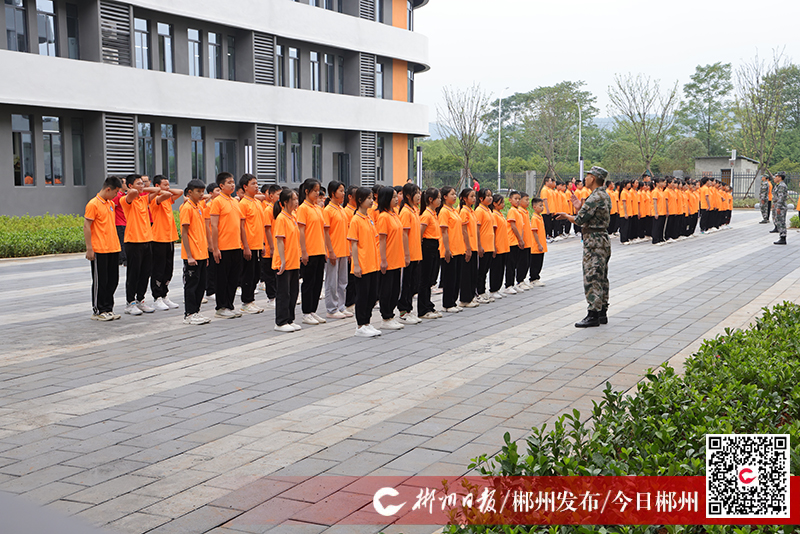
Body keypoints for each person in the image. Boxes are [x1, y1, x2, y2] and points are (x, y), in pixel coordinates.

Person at [556, 166, 611, 328]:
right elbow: (590, 216)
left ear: (593, 178)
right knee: (601, 276)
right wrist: (580, 207)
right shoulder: (603, 195)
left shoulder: (595, 197)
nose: (585, 179)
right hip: (602, 239)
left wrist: (567, 216)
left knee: (592, 276)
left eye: (587, 176)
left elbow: (580, 220)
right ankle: (602, 312)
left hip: (594, 240)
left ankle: (593, 313)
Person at [120, 174, 160, 315]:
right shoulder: (125, 200)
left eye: (143, 183)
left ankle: (140, 299)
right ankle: (130, 302)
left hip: (147, 240)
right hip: (133, 241)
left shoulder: (144, 199)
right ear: (130, 185)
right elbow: (131, 193)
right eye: (139, 183)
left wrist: (143, 187)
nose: (142, 186)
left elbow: (158, 190)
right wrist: (136, 189)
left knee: (145, 272)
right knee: (134, 273)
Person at [84, 176, 124, 321]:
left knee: (112, 280)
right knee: (101, 280)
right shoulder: (93, 204)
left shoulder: (110, 204)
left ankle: (108, 308)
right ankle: (98, 309)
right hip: (99, 248)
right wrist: (90, 248)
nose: (116, 195)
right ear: (108, 189)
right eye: (115, 192)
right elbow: (87, 226)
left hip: (113, 247)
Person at [210, 172, 245, 319]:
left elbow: (240, 225)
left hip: (236, 246)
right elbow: (214, 225)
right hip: (223, 247)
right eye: (229, 182)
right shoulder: (217, 201)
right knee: (222, 279)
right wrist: (215, 248)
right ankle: (221, 306)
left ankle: (229, 305)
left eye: (233, 182)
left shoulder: (235, 202)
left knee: (233, 278)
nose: (232, 184)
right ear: (221, 185)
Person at [348, 186, 382, 337]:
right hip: (362, 264)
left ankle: (367, 322)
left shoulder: (369, 218)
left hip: (372, 263)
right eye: (368, 198)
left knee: (372, 295)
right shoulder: (356, 220)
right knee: (362, 296)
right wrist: (356, 264)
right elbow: (354, 244)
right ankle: (360, 325)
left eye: (371, 198)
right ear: (360, 200)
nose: (371, 201)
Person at [296, 179, 327, 326]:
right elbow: (301, 231)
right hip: (309, 250)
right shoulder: (303, 208)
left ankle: (313, 310)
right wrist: (304, 251)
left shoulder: (318, 208)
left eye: (318, 190)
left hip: (319, 250)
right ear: (307, 191)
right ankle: (306, 312)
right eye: (314, 190)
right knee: (308, 282)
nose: (317, 193)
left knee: (317, 282)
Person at [376, 186, 407, 330]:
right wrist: (383, 260)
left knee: (395, 289)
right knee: (386, 289)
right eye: (394, 197)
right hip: (388, 258)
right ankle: (385, 316)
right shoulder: (383, 217)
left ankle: (391, 315)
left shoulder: (394, 214)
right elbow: (382, 240)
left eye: (397, 196)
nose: (396, 199)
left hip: (397, 257)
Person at [180, 179, 211, 325]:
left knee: (200, 285)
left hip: (201, 253)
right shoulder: (187, 208)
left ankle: (196, 311)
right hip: (192, 255)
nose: (201, 194)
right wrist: (190, 255)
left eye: (202, 191)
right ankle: (189, 313)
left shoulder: (198, 206)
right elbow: (185, 233)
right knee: (191, 285)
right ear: (190, 192)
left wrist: (205, 254)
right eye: (198, 191)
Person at [149, 175, 183, 311]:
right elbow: (167, 194)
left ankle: (164, 295)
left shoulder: (168, 199)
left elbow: (180, 192)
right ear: (157, 186)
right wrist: (160, 191)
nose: (168, 188)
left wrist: (165, 190)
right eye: (165, 185)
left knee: (168, 269)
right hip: (158, 238)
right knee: (158, 269)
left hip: (170, 237)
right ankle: (157, 297)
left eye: (169, 184)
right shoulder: (154, 199)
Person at [273, 188, 302, 332]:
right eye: (294, 199)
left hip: (294, 260)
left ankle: (290, 319)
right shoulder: (281, 218)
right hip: (284, 261)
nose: (296, 202)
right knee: (283, 293)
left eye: (297, 199)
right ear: (285, 202)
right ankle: (281, 321)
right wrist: (282, 261)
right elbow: (279, 241)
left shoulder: (293, 216)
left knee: (293, 292)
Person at [238, 174, 266, 315]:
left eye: (257, 183)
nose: (256, 186)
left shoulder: (256, 202)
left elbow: (259, 225)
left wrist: (263, 244)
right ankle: (246, 302)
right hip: (248, 246)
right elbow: (241, 227)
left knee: (255, 275)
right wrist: (246, 246)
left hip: (257, 245)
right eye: (253, 184)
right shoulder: (243, 203)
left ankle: (251, 300)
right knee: (248, 275)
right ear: (245, 187)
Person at [323, 180, 351, 319]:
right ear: (333, 193)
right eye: (340, 190)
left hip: (344, 249)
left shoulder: (341, 209)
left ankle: (341, 305)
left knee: (342, 281)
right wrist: (330, 251)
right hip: (333, 250)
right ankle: (331, 308)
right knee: (332, 282)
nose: (343, 193)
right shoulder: (328, 210)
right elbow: (326, 232)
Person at [438, 186, 468, 313]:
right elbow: (444, 232)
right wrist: (447, 249)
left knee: (456, 277)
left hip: (459, 248)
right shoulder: (444, 211)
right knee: (449, 278)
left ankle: (453, 301)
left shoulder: (454, 211)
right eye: (452, 194)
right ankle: (447, 303)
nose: (454, 196)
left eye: (455, 194)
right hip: (450, 249)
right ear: (445, 197)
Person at [398, 183, 423, 324]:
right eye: (416, 193)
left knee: (414, 283)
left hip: (416, 252)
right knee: (407, 283)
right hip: (409, 254)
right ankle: (403, 311)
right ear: (408, 196)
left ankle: (409, 309)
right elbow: (404, 234)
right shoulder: (406, 212)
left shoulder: (414, 210)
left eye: (419, 192)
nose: (419, 195)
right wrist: (406, 254)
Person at [418, 188, 442, 320]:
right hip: (427, 246)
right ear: (430, 200)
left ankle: (428, 305)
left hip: (434, 246)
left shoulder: (434, 213)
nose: (440, 200)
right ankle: (423, 309)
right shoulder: (426, 215)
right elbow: (420, 233)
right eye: (438, 197)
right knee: (425, 279)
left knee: (430, 278)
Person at [259, 184, 281, 307]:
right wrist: (271, 247)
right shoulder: (268, 210)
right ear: (271, 196)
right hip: (269, 248)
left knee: (277, 273)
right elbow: (267, 229)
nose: (280, 197)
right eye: (278, 194)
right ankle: (271, 297)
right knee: (269, 274)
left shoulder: (279, 209)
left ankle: (277, 295)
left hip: (278, 247)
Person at [458, 188, 479, 308]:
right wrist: (468, 248)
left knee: (472, 273)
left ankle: (471, 296)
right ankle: (465, 299)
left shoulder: (471, 211)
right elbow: (464, 231)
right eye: (471, 196)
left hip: (474, 245)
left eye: (474, 196)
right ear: (464, 199)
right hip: (468, 246)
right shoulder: (464, 212)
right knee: (466, 273)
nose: (474, 198)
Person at [474, 188, 495, 303]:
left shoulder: (488, 210)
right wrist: (479, 245)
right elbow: (477, 229)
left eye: (491, 195)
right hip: (483, 245)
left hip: (489, 245)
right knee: (480, 270)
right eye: (487, 196)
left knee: (485, 270)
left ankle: (483, 291)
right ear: (481, 198)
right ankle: (479, 292)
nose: (490, 198)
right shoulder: (479, 211)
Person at [489, 194, 510, 300]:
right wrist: (494, 246)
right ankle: (493, 289)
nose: (503, 204)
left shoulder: (500, 214)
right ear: (494, 204)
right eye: (500, 202)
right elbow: (493, 232)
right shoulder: (494, 215)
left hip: (504, 246)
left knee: (501, 268)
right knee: (496, 269)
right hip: (498, 246)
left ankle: (497, 288)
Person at [505, 191, 525, 294]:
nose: (517, 201)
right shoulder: (512, 211)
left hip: (517, 241)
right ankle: (508, 285)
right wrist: (520, 239)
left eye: (519, 199)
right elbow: (513, 226)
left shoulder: (518, 211)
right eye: (515, 198)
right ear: (510, 200)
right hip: (512, 241)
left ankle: (512, 284)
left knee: (515, 263)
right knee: (511, 264)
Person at [204, 182, 220, 302]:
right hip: (211, 241)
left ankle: (214, 288)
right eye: (217, 191)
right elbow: (208, 226)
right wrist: (210, 244)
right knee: (211, 268)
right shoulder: (209, 206)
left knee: (217, 267)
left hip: (219, 240)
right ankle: (210, 290)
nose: (219, 193)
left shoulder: (219, 204)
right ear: (210, 194)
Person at [528, 197, 547, 287]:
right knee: (535, 262)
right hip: (536, 245)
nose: (542, 207)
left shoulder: (540, 217)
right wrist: (538, 244)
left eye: (542, 205)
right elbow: (534, 232)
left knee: (540, 262)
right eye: (540, 206)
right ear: (534, 207)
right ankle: (533, 278)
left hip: (541, 244)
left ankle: (536, 277)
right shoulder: (534, 218)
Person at [112, 184, 128, 266]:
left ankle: (123, 258)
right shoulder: (117, 196)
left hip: (124, 222)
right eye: (125, 183)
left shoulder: (124, 195)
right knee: (122, 241)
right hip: (119, 222)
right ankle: (123, 259)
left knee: (124, 241)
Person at [772, 171, 788, 245]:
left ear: (780, 177)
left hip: (781, 207)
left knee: (781, 222)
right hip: (778, 205)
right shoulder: (778, 185)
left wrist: (778, 207)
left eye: (776, 176)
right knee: (779, 221)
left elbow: (781, 197)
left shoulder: (782, 186)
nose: (775, 178)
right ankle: (781, 236)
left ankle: (783, 237)